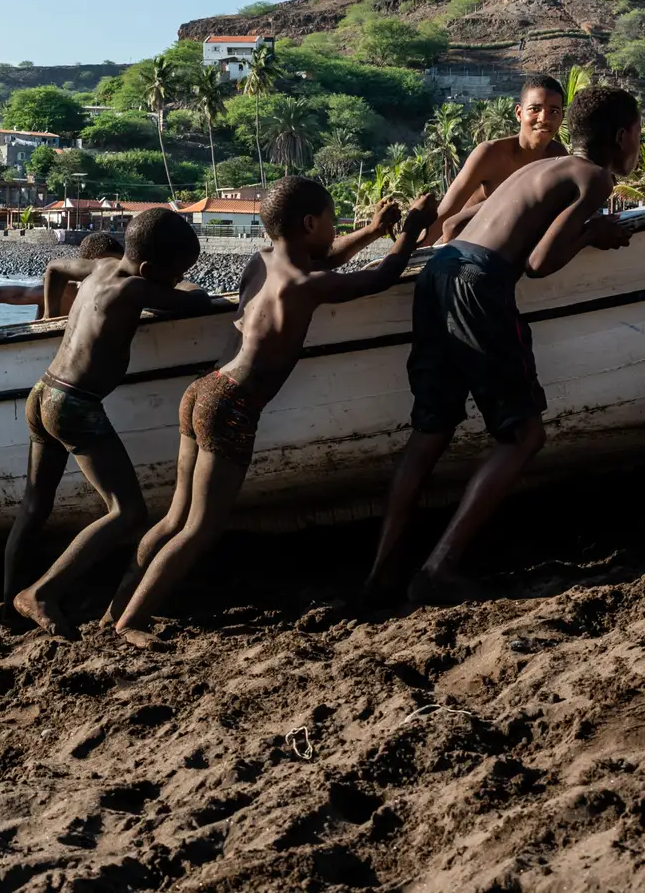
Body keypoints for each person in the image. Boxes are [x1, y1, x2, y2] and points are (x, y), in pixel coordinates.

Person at [110, 180, 438, 647]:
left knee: (173, 519)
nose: (333, 227)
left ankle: (115, 609)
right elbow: (379, 278)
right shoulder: (308, 285)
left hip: (204, 388)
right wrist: (411, 232)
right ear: (310, 223)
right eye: (330, 218)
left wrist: (370, 230)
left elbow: (326, 256)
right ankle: (132, 624)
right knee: (201, 527)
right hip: (233, 406)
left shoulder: (261, 261)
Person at [364, 86, 641, 603]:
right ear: (622, 136)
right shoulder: (593, 177)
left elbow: (461, 222)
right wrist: (592, 233)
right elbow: (539, 263)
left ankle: (380, 574)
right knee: (524, 436)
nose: (638, 146)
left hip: (440, 273)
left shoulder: (531, 171)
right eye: (639, 135)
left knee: (431, 430)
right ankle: (438, 568)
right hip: (479, 285)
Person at [1, 211, 209, 638]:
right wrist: (181, 286)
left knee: (35, 504)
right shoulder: (132, 288)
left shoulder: (100, 267)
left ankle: (7, 604)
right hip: (74, 405)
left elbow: (55, 267)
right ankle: (41, 593)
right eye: (177, 272)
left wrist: (48, 315)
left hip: (42, 392)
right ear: (150, 271)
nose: (179, 279)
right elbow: (197, 301)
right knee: (128, 511)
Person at [422, 76, 567, 244]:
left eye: (554, 111)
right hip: (462, 247)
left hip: (511, 252)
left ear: (562, 117)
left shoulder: (558, 158)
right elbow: (445, 215)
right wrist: (407, 257)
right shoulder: (490, 154)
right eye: (535, 109)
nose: (544, 118)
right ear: (519, 113)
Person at [0, 232, 123, 328]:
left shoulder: (117, 291)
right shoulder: (64, 291)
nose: (113, 271)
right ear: (87, 265)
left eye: (117, 266)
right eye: (107, 265)